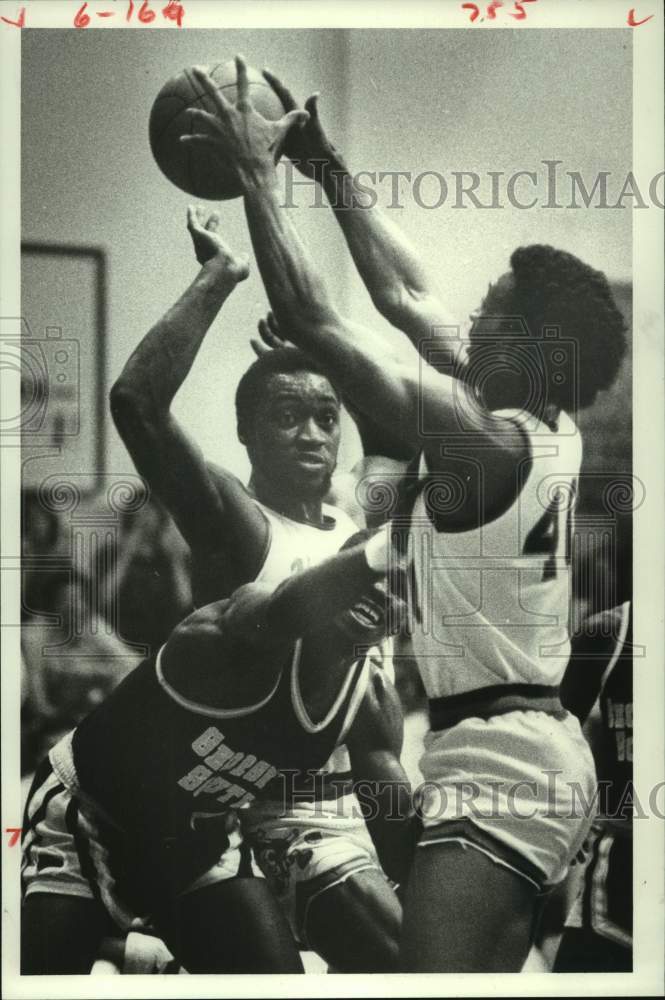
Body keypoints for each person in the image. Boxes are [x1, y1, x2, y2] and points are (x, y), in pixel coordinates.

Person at [181, 57, 628, 971]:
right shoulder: (545, 424)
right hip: (519, 753)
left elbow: (315, 312)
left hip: (504, 762)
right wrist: (323, 164)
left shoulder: (482, 438)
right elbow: (399, 294)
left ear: (524, 347)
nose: (469, 314)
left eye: (492, 311)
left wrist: (257, 174)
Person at [109, 207, 407, 969]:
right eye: (286, 417)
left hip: (353, 797)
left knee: (441, 951)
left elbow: (397, 438)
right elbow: (138, 405)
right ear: (244, 431)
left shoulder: (352, 526)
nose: (312, 434)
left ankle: (164, 958)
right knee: (406, 956)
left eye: (324, 418)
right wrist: (220, 275)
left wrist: (320, 348)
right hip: (261, 812)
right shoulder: (236, 524)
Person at [21, 529, 411, 974]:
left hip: (193, 839)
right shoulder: (251, 620)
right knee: (45, 980)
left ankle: (146, 954)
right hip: (91, 812)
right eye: (369, 575)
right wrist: (382, 550)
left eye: (400, 587)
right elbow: (282, 610)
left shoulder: (372, 704)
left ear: (407, 617)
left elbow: (402, 846)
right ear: (332, 574)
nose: (380, 590)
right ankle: (134, 946)